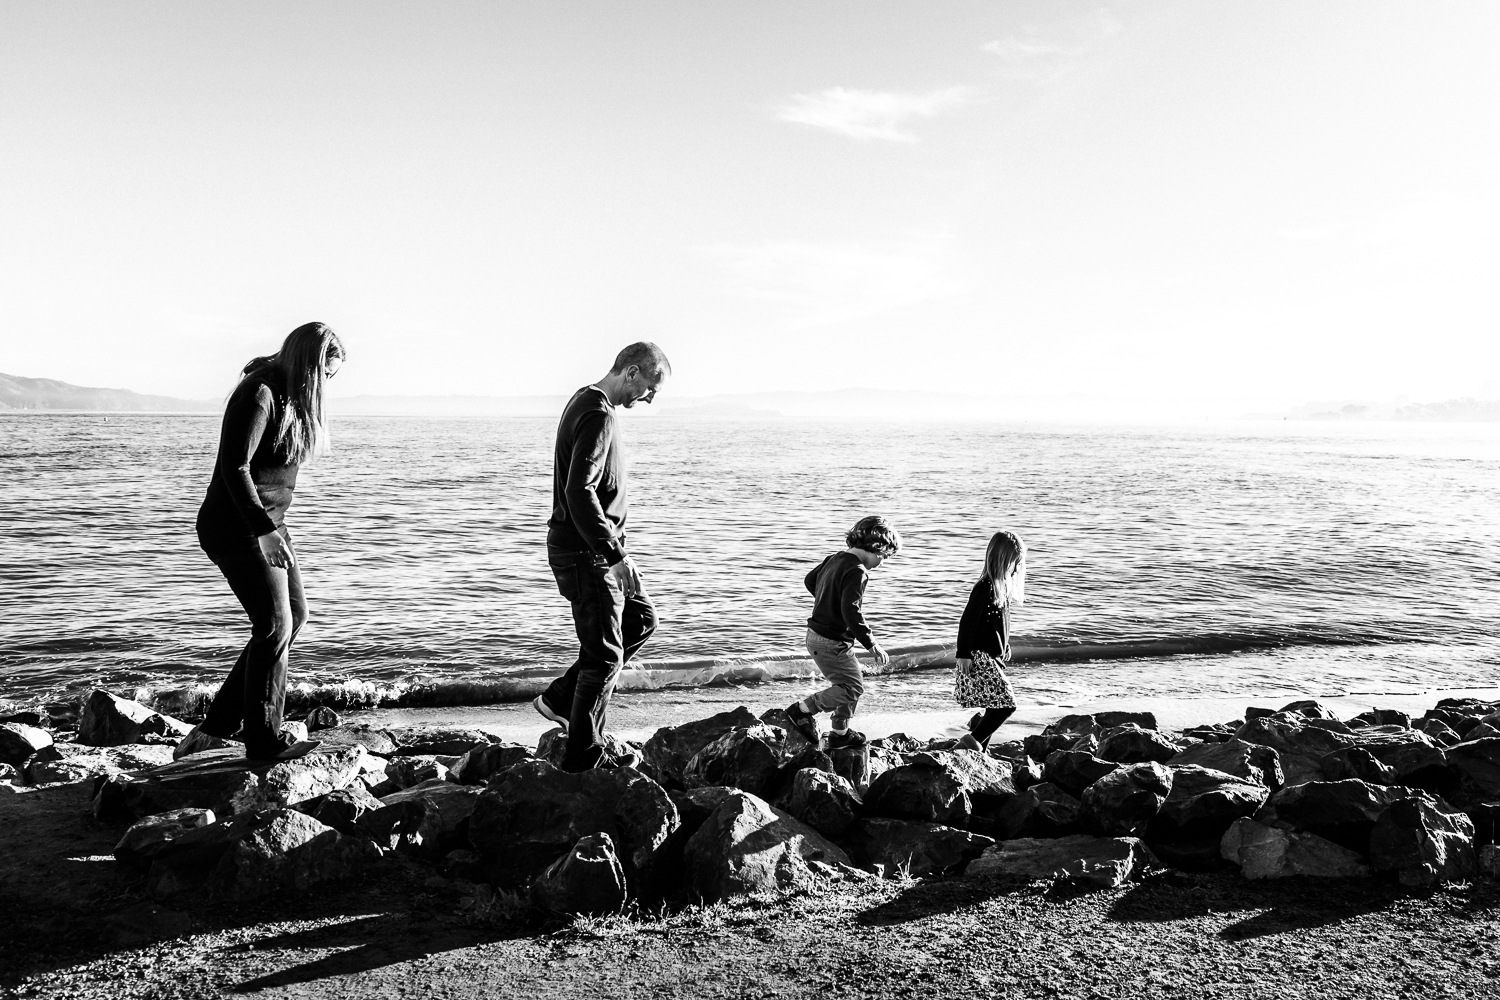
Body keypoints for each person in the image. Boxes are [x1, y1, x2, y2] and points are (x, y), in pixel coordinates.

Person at [183, 322, 345, 761]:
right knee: (275, 626)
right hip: (236, 527)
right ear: (308, 365)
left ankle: (213, 729)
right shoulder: (260, 393)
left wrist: (271, 527)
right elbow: (234, 467)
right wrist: (265, 530)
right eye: (325, 375)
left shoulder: (289, 395)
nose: (327, 386)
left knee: (295, 616)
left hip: (266, 524)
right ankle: (262, 741)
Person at [532, 342, 669, 771]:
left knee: (641, 619)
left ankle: (559, 698)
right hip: (587, 552)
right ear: (630, 372)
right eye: (649, 387)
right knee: (604, 656)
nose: (648, 399)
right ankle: (583, 758)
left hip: (594, 549)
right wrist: (612, 554)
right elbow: (579, 489)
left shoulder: (587, 400)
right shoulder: (597, 412)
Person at [783, 515, 902, 751]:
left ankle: (840, 732)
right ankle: (802, 710)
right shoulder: (858, 571)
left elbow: (810, 580)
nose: (882, 563)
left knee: (851, 681)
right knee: (853, 687)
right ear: (877, 547)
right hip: (831, 642)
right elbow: (851, 612)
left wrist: (826, 601)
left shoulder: (835, 558)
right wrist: (871, 643)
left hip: (817, 635)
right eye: (884, 557)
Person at [953, 530, 1027, 748]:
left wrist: (1005, 645)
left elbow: (996, 625)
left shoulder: (1000, 589)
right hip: (979, 655)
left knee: (994, 705)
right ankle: (972, 741)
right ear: (1003, 560)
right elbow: (967, 622)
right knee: (1006, 705)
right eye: (1015, 564)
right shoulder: (985, 587)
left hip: (992, 656)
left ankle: (980, 751)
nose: (1016, 569)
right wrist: (963, 654)